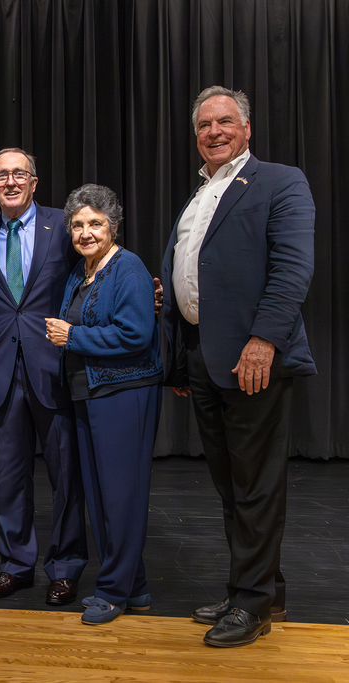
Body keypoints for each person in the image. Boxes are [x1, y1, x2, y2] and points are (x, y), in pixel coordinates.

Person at [161, 86, 315, 647]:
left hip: (253, 359)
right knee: (232, 486)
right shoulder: (199, 193)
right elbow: (196, 271)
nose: (214, 132)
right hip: (204, 357)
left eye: (225, 122)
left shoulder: (280, 181)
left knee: (255, 486)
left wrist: (264, 340)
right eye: (205, 125)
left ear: (247, 129)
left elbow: (292, 269)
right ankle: (258, 589)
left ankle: (252, 604)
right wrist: (181, 353)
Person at [0, 148, 88, 606]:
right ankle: (16, 565)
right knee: (8, 477)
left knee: (65, 476)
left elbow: (90, 277)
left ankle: (66, 567)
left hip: (53, 368)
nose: (11, 182)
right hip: (2, 371)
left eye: (20, 174)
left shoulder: (64, 224)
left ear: (34, 182)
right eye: (2, 176)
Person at [44, 184, 163, 625]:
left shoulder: (128, 267)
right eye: (77, 225)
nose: (86, 232)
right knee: (102, 497)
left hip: (124, 393)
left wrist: (73, 336)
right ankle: (136, 588)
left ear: (113, 226)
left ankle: (112, 592)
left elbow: (137, 334)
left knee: (121, 497)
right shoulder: (81, 270)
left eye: (95, 223)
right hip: (87, 393)